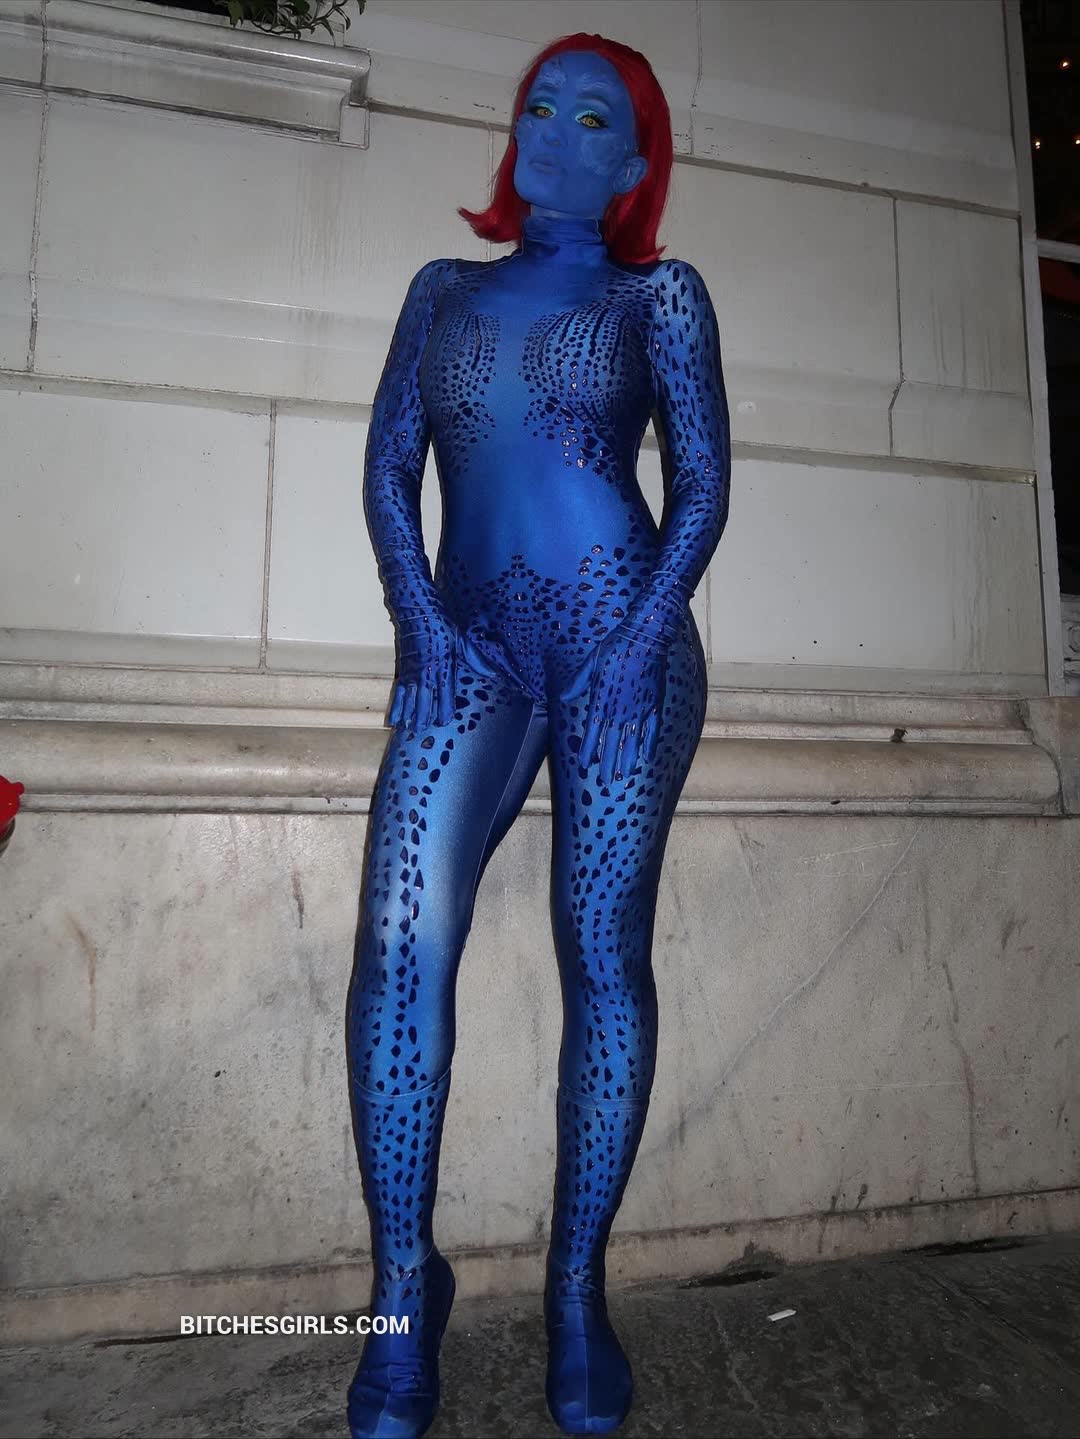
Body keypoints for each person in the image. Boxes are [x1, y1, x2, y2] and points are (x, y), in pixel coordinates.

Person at [345, 29, 731, 1439]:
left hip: (626, 648)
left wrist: (638, 641)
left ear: (634, 164)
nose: (556, 133)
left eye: (593, 118)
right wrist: (418, 622)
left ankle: (577, 1292)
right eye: (538, 109)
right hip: (469, 648)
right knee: (399, 940)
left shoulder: (659, 296)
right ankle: (403, 1294)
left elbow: (701, 490)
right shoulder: (440, 292)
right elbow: (389, 468)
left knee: (600, 949)